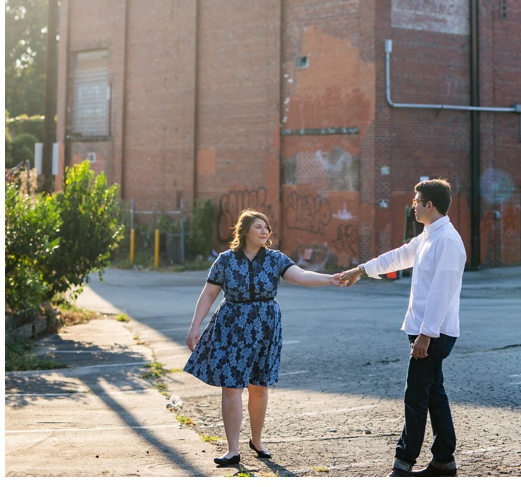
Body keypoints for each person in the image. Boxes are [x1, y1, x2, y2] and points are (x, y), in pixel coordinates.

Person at [333, 179, 466, 477]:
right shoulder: (429, 236)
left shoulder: (446, 240)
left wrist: (426, 335)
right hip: (426, 331)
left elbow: (441, 292)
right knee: (433, 394)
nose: (413, 205)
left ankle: (403, 464)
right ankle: (444, 460)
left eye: (417, 201)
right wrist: (360, 270)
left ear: (430, 205)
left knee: (415, 396)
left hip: (433, 333)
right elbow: (398, 256)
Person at [183, 209, 337, 466]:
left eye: (266, 227)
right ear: (244, 232)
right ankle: (232, 450)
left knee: (259, 386)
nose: (265, 231)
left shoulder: (275, 259)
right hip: (232, 326)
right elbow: (209, 294)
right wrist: (194, 326)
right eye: (258, 227)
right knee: (232, 387)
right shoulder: (225, 260)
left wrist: (331, 279)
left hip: (265, 326)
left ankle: (257, 440)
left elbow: (301, 276)